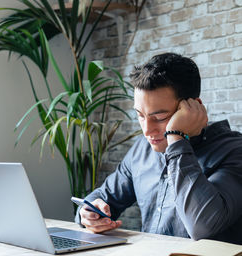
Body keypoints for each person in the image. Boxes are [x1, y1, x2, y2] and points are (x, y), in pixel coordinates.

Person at [75, 53, 242, 244]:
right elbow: (101, 197)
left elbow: (202, 225)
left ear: (193, 107)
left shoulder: (234, 152)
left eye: (160, 117)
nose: (147, 130)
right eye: (140, 115)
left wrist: (176, 138)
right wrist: (87, 213)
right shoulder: (142, 150)